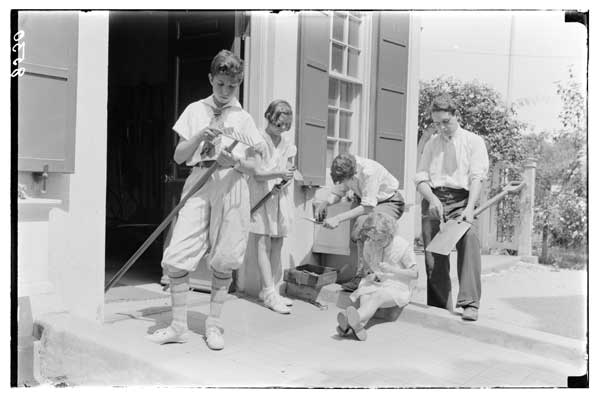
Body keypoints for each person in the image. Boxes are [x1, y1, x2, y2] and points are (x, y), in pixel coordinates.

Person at [147, 49, 264, 350]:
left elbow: (255, 166)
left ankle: (213, 324)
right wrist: (200, 135)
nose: (225, 92)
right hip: (199, 181)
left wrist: (235, 163)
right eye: (220, 84)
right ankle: (177, 325)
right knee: (177, 255)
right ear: (211, 79)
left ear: (237, 84)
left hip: (232, 184)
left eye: (231, 86)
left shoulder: (244, 119)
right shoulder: (195, 109)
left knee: (225, 257)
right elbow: (179, 155)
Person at [415, 93, 489, 321]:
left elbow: (477, 177)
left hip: (462, 199)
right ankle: (439, 306)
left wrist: (469, 208)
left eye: (446, 122)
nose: (442, 127)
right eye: (437, 123)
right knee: (434, 254)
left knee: (470, 240)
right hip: (434, 197)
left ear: (456, 116)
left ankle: (469, 303)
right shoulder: (431, 144)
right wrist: (434, 200)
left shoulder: (473, 141)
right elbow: (420, 178)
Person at [314, 154, 405, 292]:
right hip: (366, 201)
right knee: (358, 232)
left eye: (345, 179)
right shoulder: (345, 168)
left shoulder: (370, 171)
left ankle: (374, 278)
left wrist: (337, 218)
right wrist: (326, 203)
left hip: (389, 202)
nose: (343, 182)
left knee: (368, 226)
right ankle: (362, 276)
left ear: (353, 172)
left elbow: (368, 206)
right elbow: (339, 192)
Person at [336, 212, 418, 341]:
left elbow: (415, 274)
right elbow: (368, 267)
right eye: (372, 238)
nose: (375, 243)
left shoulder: (402, 245)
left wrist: (392, 269)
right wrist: (371, 274)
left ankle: (350, 319)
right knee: (365, 295)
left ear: (389, 234)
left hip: (397, 286)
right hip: (375, 283)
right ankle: (358, 325)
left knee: (377, 296)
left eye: (379, 240)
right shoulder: (369, 243)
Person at [248, 100, 297, 314]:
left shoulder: (288, 144)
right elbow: (257, 173)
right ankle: (268, 293)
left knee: (277, 242)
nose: (282, 129)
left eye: (286, 126)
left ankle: (272, 290)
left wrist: (285, 180)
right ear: (269, 116)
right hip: (260, 195)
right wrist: (278, 174)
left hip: (280, 197)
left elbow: (288, 171)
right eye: (279, 124)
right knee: (261, 243)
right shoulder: (257, 140)